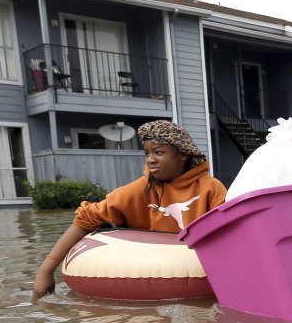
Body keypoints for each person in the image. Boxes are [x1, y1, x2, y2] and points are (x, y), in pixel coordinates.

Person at [33, 120, 227, 298]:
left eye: (158, 152)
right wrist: (46, 270)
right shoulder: (140, 189)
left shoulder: (210, 188)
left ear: (182, 154)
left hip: (197, 274)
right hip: (146, 272)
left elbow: (230, 232)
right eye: (147, 153)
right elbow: (86, 218)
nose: (150, 160)